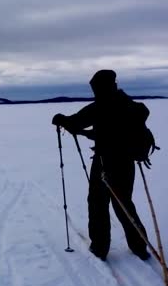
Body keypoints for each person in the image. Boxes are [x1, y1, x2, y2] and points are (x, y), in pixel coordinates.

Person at [52, 69, 150, 261]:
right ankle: (139, 246)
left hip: (104, 163)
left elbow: (75, 123)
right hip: (126, 163)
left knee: (98, 203)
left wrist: (60, 119)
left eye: (96, 88)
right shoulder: (129, 104)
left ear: (101, 87)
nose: (95, 92)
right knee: (124, 204)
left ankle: (99, 247)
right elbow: (118, 127)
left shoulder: (99, 107)